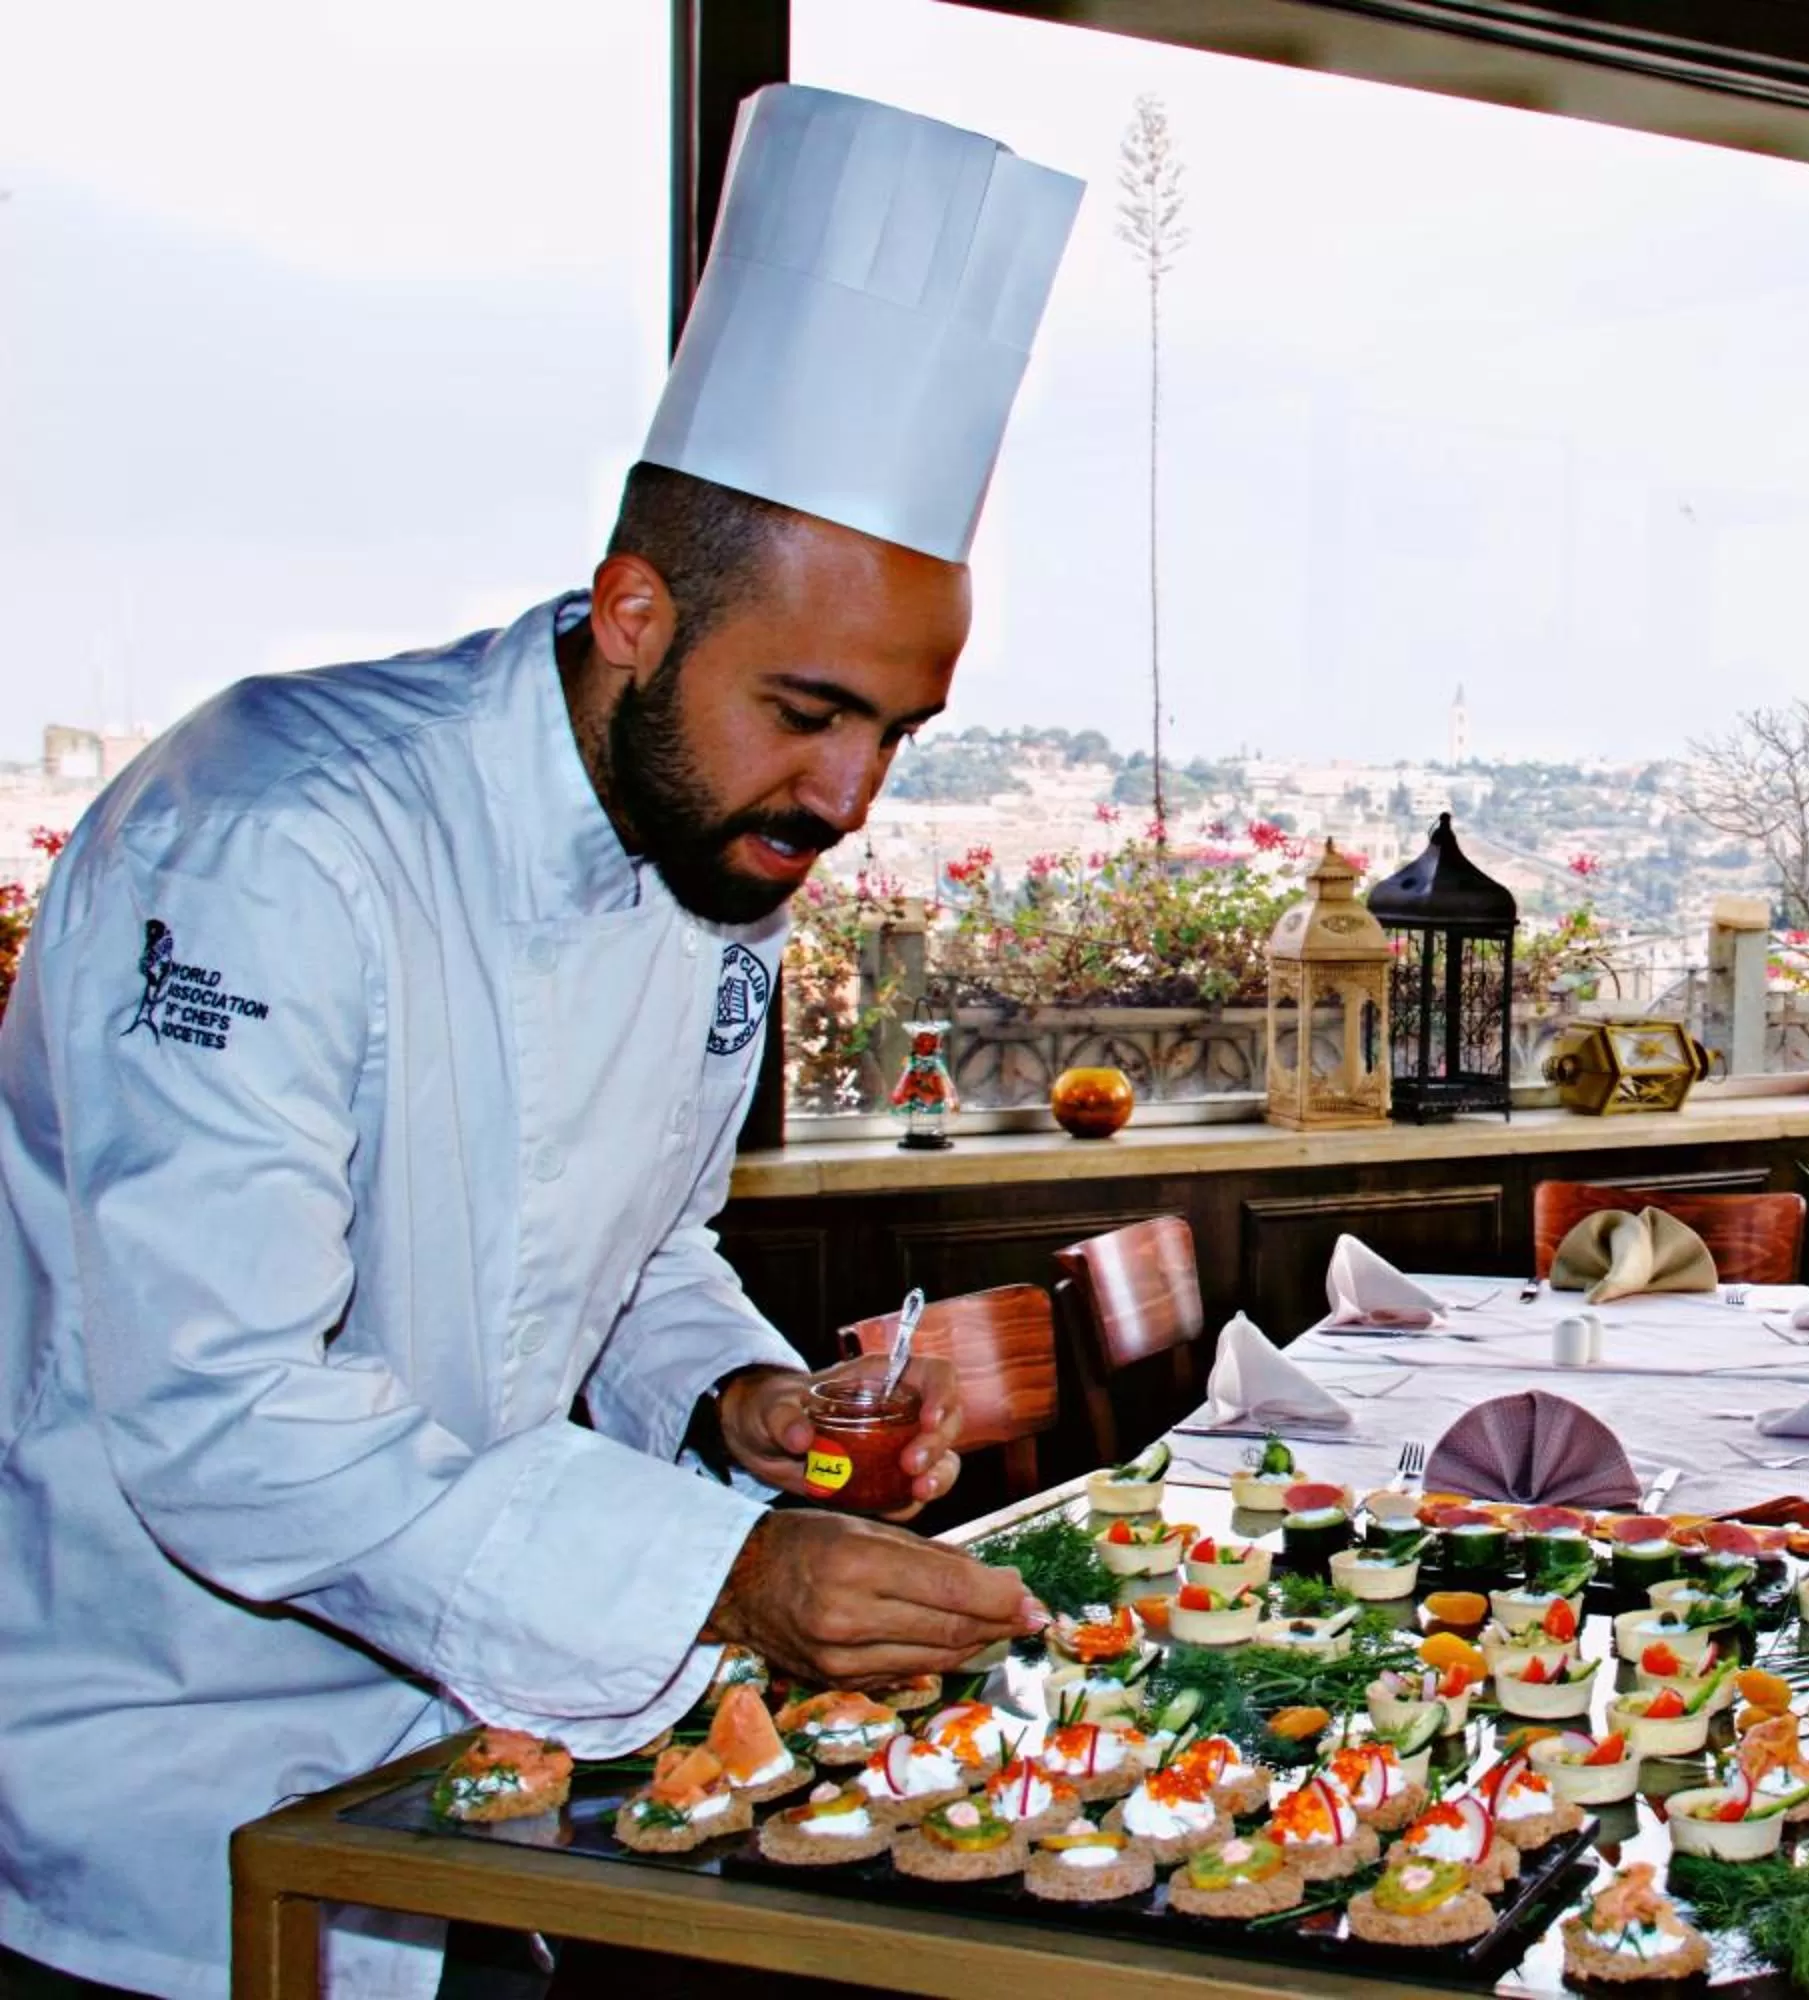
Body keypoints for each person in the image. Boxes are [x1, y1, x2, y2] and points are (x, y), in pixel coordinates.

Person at [0, 86, 1082, 2000]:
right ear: (636, 613)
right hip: (171, 1794)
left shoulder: (705, 843)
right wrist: (722, 1577)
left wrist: (745, 1408)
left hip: (489, 1768)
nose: (845, 795)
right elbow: (225, 1415)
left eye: (897, 734)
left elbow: (635, 1252)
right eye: (811, 710)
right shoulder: (271, 843)